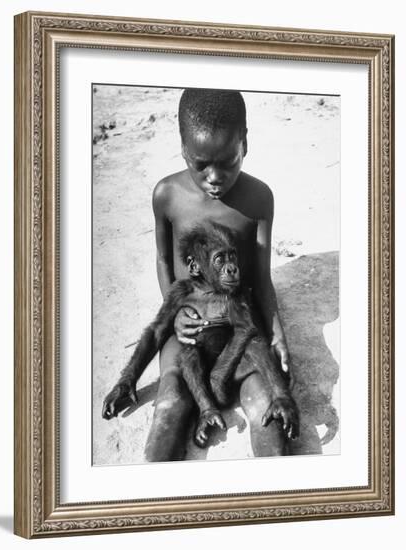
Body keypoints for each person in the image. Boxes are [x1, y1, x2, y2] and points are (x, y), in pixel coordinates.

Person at [145, 88, 292, 461]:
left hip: (238, 327)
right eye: (200, 164)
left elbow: (260, 277)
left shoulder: (259, 199)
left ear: (245, 143)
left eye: (229, 161)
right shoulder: (167, 195)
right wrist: (176, 312)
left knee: (266, 405)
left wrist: (276, 334)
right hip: (190, 328)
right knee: (171, 403)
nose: (215, 176)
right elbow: (164, 261)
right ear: (182, 148)